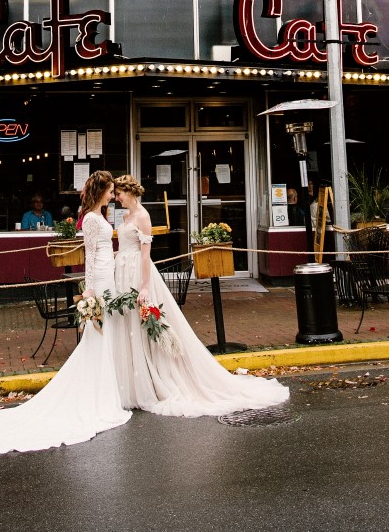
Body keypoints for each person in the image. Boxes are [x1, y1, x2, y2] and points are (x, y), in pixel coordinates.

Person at [0, 171, 130, 454]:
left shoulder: (101, 216)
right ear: (101, 191)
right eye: (109, 190)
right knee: (99, 333)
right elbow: (91, 256)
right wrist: (90, 290)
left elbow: (105, 251)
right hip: (102, 279)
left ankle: (108, 385)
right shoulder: (93, 219)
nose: (112, 195)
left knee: (106, 332)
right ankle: (99, 390)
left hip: (111, 275)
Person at [111, 174, 288, 417]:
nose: (116, 198)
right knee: (129, 325)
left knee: (147, 323)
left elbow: (145, 255)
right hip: (122, 272)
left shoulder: (143, 216)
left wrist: (144, 286)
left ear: (128, 192)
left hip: (138, 274)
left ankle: (156, 378)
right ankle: (135, 379)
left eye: (118, 194)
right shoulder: (125, 216)